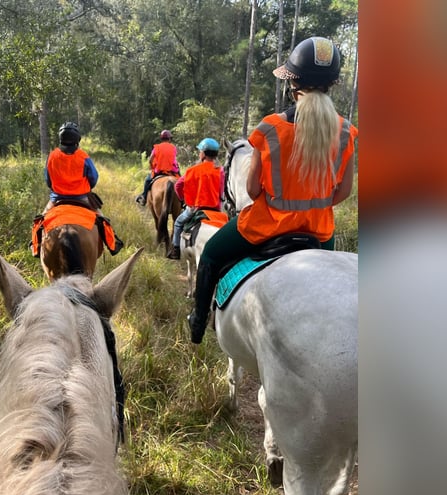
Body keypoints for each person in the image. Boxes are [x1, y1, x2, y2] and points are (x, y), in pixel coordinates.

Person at [187, 36, 359, 344]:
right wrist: (314, 204)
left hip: (266, 226)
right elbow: (343, 191)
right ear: (330, 85)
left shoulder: (270, 129)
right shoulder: (346, 132)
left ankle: (198, 322)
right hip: (319, 230)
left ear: (293, 87)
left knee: (212, 254)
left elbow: (253, 190)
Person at [166, 137, 224, 260]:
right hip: (215, 210)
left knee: (178, 223)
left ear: (203, 153)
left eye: (200, 151)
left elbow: (178, 185)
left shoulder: (193, 170)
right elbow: (221, 192)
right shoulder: (221, 171)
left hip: (195, 209)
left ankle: (176, 250)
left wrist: (183, 199)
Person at [44, 121, 100, 212]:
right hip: (82, 198)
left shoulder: (52, 156)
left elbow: (48, 181)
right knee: (103, 222)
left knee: (39, 222)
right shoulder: (84, 156)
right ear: (77, 139)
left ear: (60, 138)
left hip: (57, 198)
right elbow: (94, 178)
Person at [135, 129, 180, 206]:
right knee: (181, 181)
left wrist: (152, 167)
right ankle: (183, 200)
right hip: (172, 171)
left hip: (159, 171)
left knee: (147, 180)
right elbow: (174, 159)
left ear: (161, 138)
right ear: (169, 139)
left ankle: (144, 197)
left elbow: (150, 160)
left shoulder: (157, 147)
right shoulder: (173, 147)